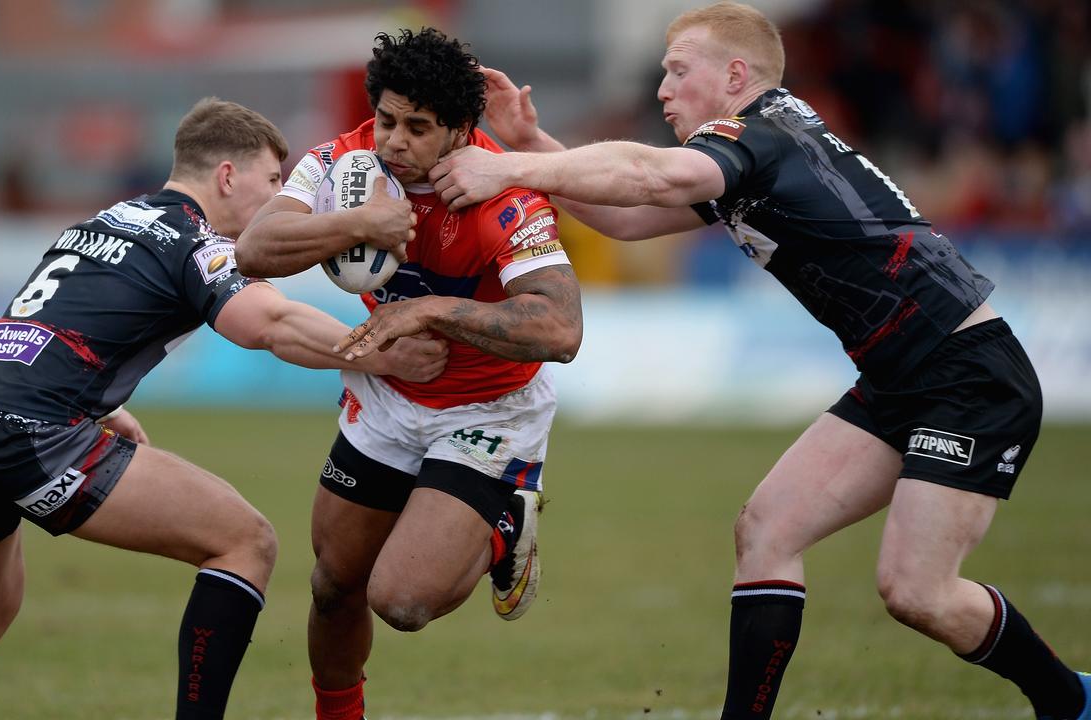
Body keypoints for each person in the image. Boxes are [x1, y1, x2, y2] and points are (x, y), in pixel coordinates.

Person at [429, 3, 1090, 719]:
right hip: (902, 375)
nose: (662, 90)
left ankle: (1070, 700)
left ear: (735, 75)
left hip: (968, 374)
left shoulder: (760, 132)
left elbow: (651, 176)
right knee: (767, 529)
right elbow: (627, 217)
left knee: (917, 592)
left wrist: (513, 167)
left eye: (678, 70)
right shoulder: (753, 151)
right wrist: (532, 143)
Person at [0, 97, 448, 720]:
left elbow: (45, 323)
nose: (285, 198)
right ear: (228, 176)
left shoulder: (103, 220)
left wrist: (94, 407)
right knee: (245, 542)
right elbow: (271, 324)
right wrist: (381, 352)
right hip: (28, 431)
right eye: (275, 181)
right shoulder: (193, 238)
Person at [236, 27, 583, 719]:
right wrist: (355, 222)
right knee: (335, 584)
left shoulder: (499, 191)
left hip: (488, 412)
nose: (394, 140)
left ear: (459, 130)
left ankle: (504, 523)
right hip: (387, 397)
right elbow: (253, 248)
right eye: (387, 119)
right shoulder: (344, 162)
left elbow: (561, 329)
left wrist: (433, 311)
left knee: (400, 601)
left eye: (418, 128)